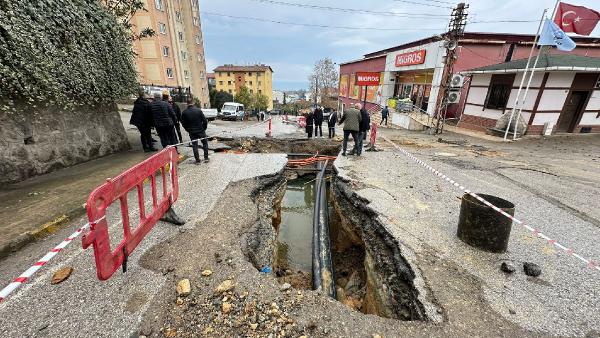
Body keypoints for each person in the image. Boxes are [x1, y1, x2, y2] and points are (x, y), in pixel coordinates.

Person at [181, 98, 209, 164]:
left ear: (187, 103)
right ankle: (206, 158)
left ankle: (197, 160)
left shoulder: (184, 112)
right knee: (205, 143)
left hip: (192, 132)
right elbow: (205, 121)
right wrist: (204, 128)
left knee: (195, 145)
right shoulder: (198, 110)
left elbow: (183, 124)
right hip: (201, 130)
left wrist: (188, 130)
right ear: (193, 102)